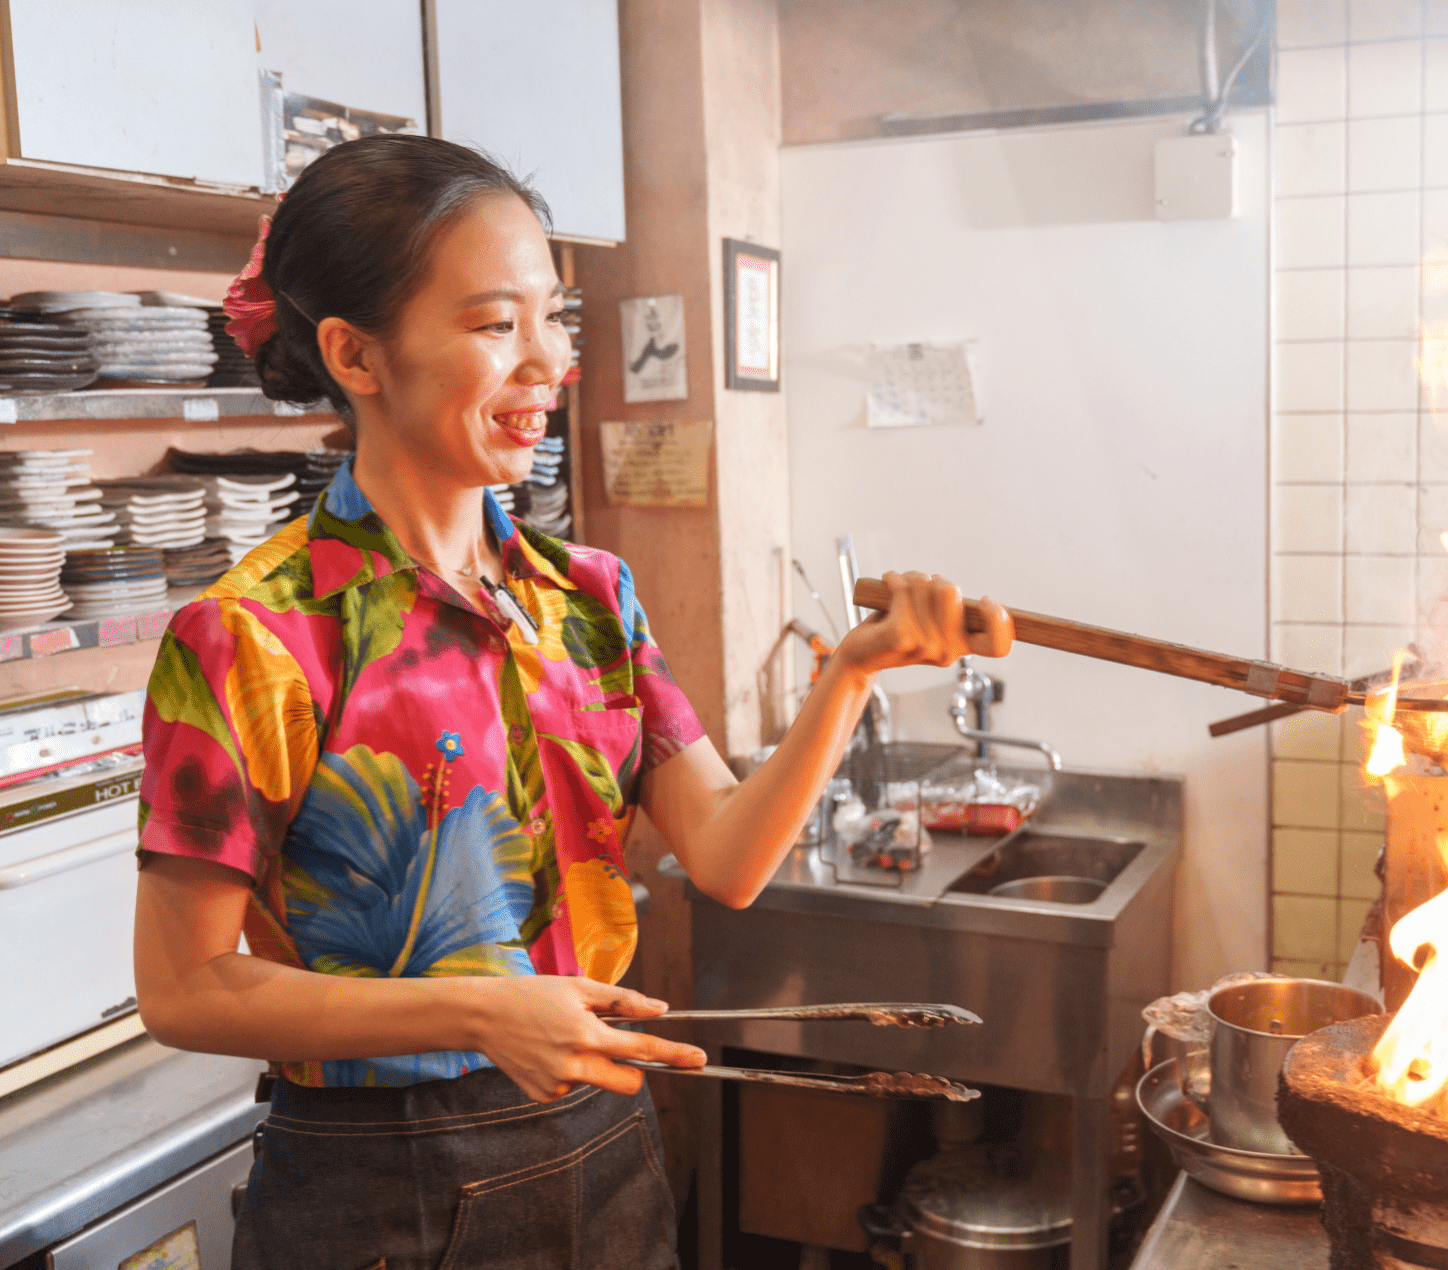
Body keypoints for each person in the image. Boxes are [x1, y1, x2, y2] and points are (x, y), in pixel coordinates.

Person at [132, 134, 1011, 1270]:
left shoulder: (584, 599)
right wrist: (479, 1008)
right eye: (497, 325)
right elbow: (184, 988)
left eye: (555, 319)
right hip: (376, 1183)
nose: (550, 362)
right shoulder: (256, 633)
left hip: (605, 1148)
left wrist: (848, 674)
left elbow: (729, 858)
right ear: (355, 353)